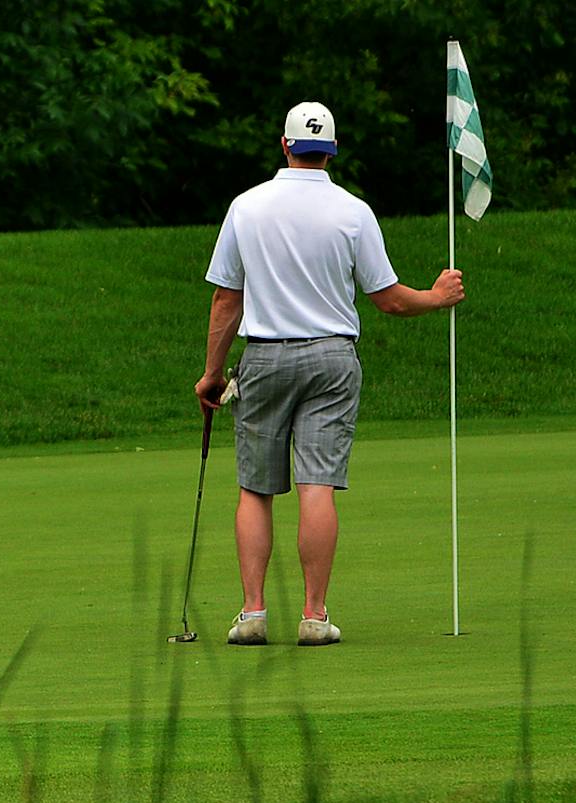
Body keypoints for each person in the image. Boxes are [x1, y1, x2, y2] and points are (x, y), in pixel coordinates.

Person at [195, 102, 465, 646]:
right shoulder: (353, 211)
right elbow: (389, 300)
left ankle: (253, 613)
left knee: (255, 488)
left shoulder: (246, 206)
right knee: (317, 484)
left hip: (265, 357)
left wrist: (212, 375)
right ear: (333, 150)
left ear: (285, 145)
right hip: (332, 359)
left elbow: (227, 298)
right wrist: (436, 297)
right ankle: (314, 617)